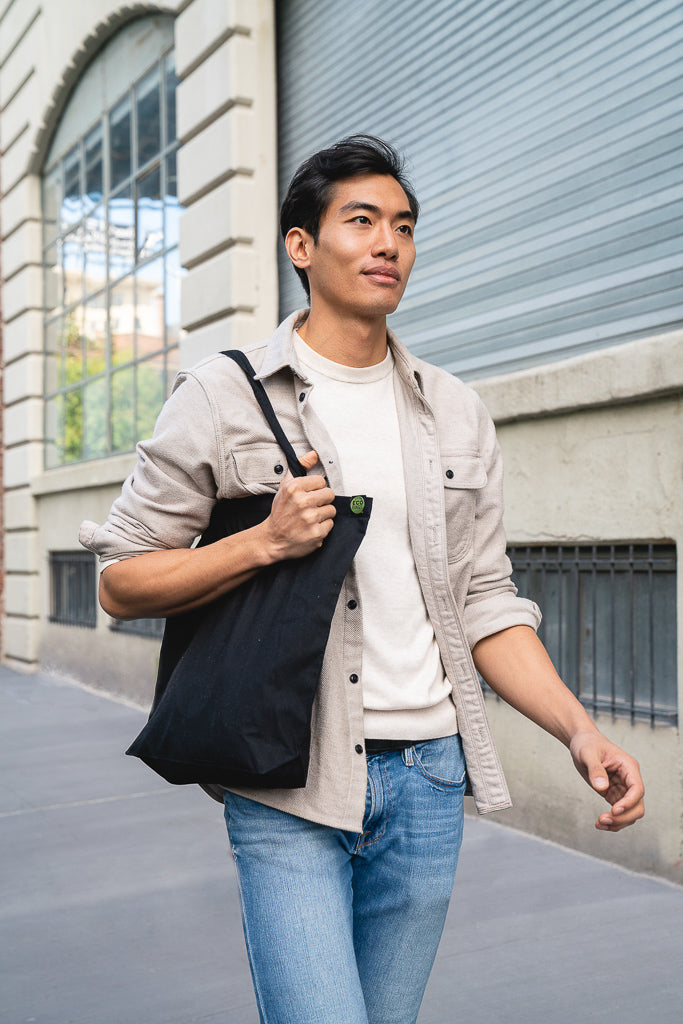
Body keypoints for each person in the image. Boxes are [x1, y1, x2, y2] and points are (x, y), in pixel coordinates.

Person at [80, 134, 645, 1024]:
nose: (388, 243)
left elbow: (484, 602)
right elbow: (120, 579)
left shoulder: (453, 411)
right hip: (288, 782)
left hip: (427, 780)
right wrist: (259, 543)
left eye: (404, 226)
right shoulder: (223, 395)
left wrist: (578, 732)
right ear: (300, 245)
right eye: (361, 221)